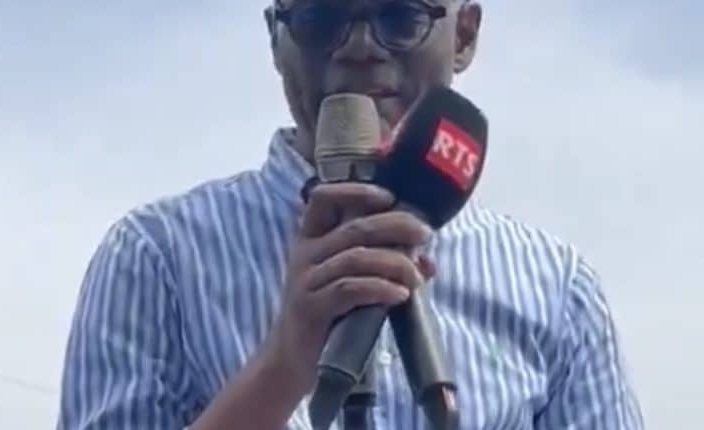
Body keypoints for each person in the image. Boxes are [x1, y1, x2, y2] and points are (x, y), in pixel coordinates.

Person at [57, 0, 644, 429]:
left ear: (464, 35)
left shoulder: (557, 289)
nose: (360, 46)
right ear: (276, 38)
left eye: (400, 15)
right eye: (320, 17)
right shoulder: (156, 258)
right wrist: (281, 369)